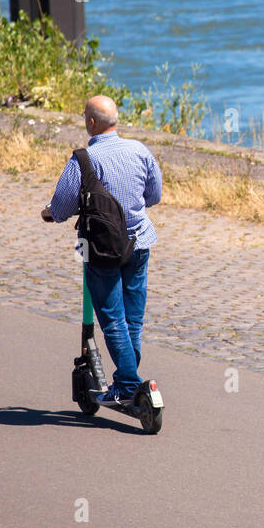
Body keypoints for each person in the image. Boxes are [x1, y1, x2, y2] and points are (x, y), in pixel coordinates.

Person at [41, 95, 162, 403]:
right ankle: (127, 378)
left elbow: (61, 207)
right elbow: (154, 195)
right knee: (132, 318)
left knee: (111, 319)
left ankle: (128, 383)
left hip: (99, 248)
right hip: (139, 242)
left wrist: (50, 214)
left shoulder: (84, 160)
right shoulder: (140, 150)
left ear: (91, 122)